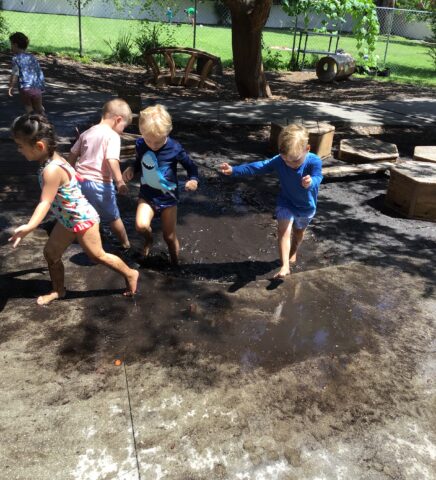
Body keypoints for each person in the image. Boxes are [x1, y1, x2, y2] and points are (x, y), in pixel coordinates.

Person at [9, 114, 139, 305]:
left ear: (39, 147)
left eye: (20, 146)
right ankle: (58, 290)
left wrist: (30, 226)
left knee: (97, 255)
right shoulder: (53, 159)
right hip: (67, 219)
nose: (19, 150)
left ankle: (130, 273)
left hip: (82, 219)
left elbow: (45, 202)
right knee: (51, 254)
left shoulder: (51, 170)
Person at [220, 124, 323, 279]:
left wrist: (311, 182)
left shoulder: (313, 162)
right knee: (283, 231)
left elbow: (318, 177)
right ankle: (285, 266)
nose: (290, 164)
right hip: (286, 201)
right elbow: (258, 167)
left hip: (306, 205)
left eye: (295, 161)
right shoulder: (279, 161)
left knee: (298, 232)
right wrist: (235, 170)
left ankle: (294, 251)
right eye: (285, 160)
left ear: (307, 149)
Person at [122, 104, 199, 265]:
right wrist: (132, 168)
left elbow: (191, 166)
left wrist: (193, 179)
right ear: (142, 133)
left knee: (169, 237)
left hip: (168, 199)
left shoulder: (174, 148)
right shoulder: (141, 144)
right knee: (141, 226)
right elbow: (139, 161)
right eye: (149, 140)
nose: (153, 145)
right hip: (147, 196)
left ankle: (175, 263)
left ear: (168, 132)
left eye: (158, 142)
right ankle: (148, 240)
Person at [68, 99, 132, 250]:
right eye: (124, 127)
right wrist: (120, 181)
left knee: (86, 212)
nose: (122, 131)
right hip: (100, 184)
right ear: (118, 120)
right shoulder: (112, 136)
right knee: (113, 217)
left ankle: (86, 239)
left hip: (79, 181)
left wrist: (68, 178)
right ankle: (125, 243)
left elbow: (71, 156)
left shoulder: (87, 132)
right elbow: (112, 160)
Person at [8, 32, 45, 114]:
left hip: (25, 88)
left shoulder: (16, 59)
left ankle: (31, 123)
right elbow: (39, 72)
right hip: (37, 88)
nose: (11, 47)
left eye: (11, 44)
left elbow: (15, 74)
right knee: (39, 108)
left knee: (28, 106)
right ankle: (45, 124)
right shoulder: (32, 57)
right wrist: (41, 85)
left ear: (15, 44)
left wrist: (11, 86)